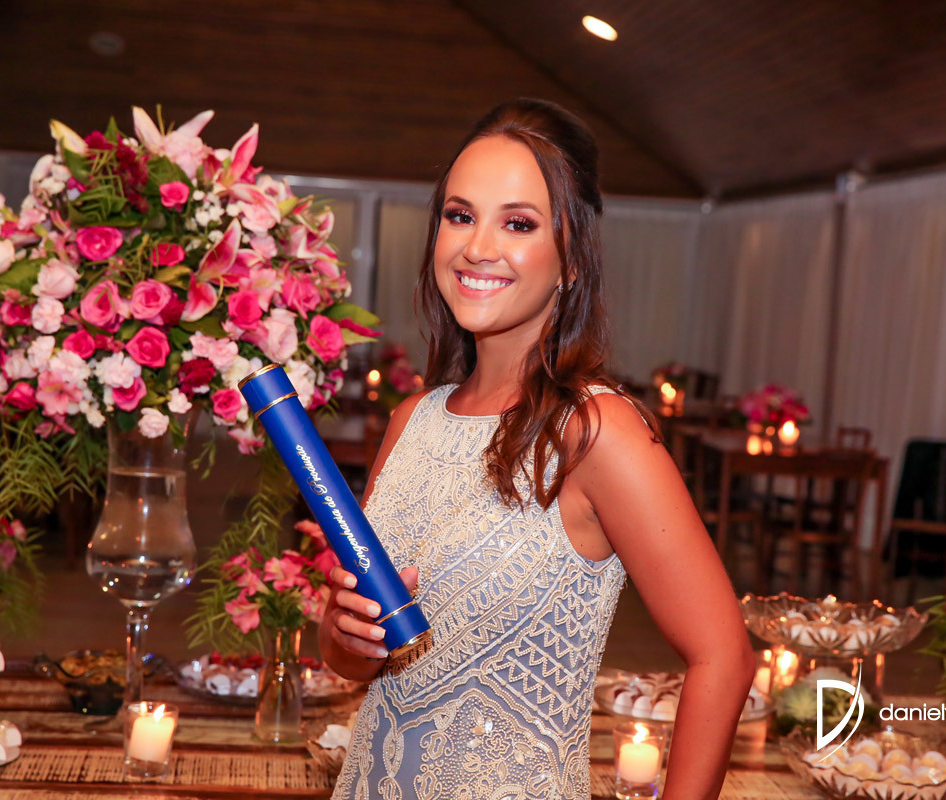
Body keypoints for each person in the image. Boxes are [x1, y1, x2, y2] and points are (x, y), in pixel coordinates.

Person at [307, 98, 753, 800]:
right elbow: (360, 665)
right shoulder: (411, 421)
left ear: (571, 257)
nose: (477, 247)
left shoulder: (595, 433)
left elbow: (723, 658)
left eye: (518, 223)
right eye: (460, 215)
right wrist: (345, 632)